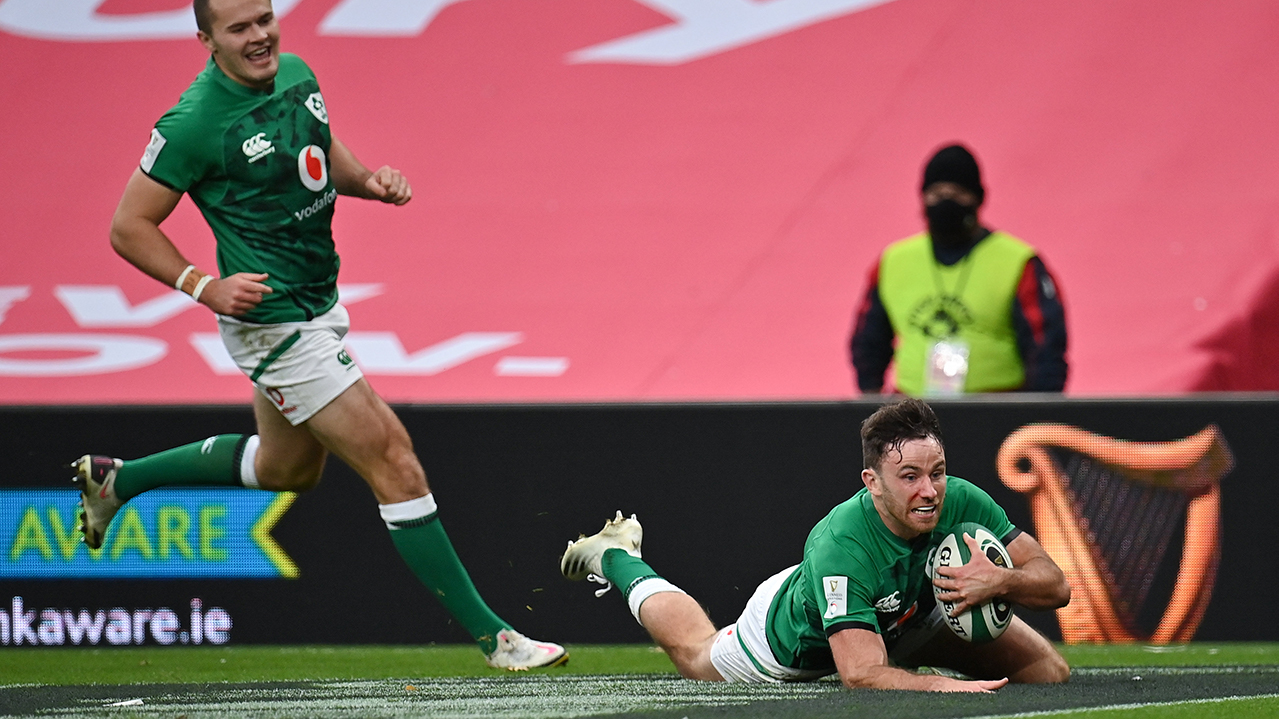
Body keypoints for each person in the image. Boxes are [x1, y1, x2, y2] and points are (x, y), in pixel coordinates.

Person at [75, 0, 566, 671]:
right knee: (393, 456)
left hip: (318, 301)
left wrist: (365, 180)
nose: (260, 36)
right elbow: (127, 226)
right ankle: (496, 637)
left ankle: (117, 480)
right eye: (239, 27)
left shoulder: (298, 74)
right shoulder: (192, 124)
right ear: (205, 40)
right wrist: (204, 286)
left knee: (288, 469)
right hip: (272, 323)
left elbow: (315, 152)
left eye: (264, 18)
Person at [559, 398, 1070, 691]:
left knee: (1049, 673)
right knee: (696, 656)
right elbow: (860, 673)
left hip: (909, 614)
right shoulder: (841, 546)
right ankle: (619, 557)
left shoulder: (961, 500)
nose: (929, 491)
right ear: (872, 482)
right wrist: (944, 685)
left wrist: (1004, 579)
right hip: (798, 641)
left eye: (936, 473)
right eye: (910, 476)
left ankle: (912, 656)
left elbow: (1057, 586)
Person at [850, 144, 1068, 396]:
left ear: (978, 198)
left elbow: (1047, 347)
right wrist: (871, 401)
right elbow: (868, 341)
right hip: (913, 413)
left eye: (957, 192)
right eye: (936, 193)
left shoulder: (1017, 262)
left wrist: (1035, 416)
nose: (946, 202)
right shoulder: (893, 262)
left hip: (998, 411)